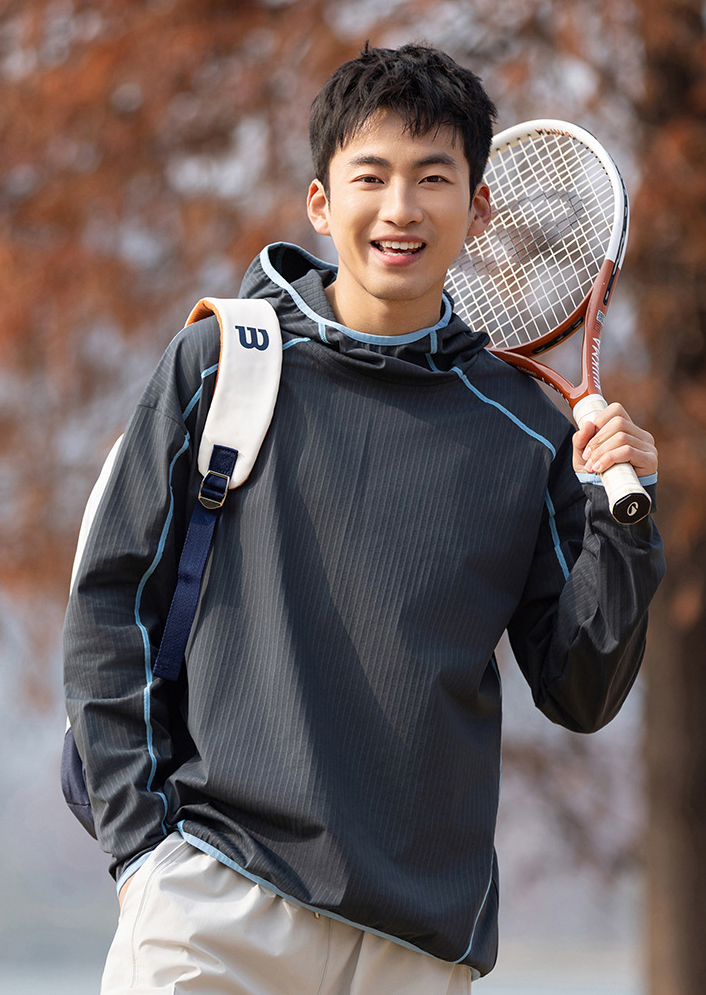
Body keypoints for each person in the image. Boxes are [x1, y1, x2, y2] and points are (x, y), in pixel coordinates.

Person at [63, 42, 665, 995]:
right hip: (213, 901)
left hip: (415, 948)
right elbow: (110, 606)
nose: (400, 208)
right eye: (372, 176)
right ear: (320, 201)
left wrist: (623, 521)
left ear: (478, 209)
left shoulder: (527, 433)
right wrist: (143, 852)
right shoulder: (221, 361)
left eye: (433, 178)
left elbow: (580, 689)